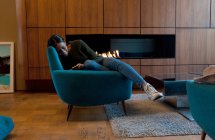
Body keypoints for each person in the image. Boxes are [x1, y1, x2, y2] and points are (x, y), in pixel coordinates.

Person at [48, 34, 164, 101]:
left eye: (63, 48)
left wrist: (86, 64)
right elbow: (68, 74)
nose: (62, 52)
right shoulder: (61, 59)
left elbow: (95, 56)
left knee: (117, 64)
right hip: (90, 69)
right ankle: (123, 73)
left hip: (100, 61)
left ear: (65, 42)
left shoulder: (77, 43)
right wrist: (82, 67)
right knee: (88, 64)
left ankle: (147, 88)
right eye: (59, 51)